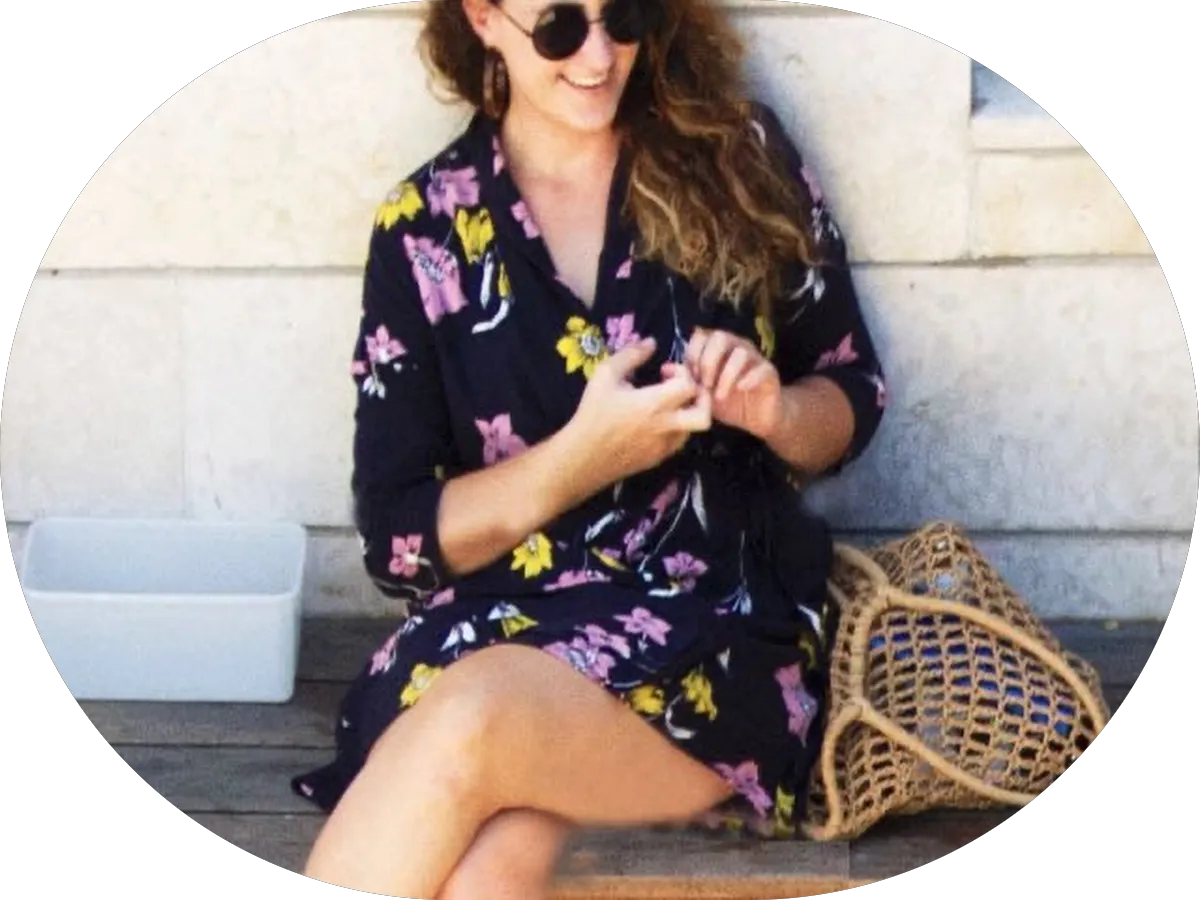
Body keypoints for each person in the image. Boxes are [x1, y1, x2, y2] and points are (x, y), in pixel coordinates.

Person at [293, 0, 888, 896]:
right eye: (562, 27)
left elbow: (852, 390)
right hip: (497, 631)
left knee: (474, 722)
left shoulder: (736, 157)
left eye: (626, 15)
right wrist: (582, 459)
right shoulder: (423, 229)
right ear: (483, 18)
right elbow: (400, 539)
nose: (601, 56)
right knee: (491, 873)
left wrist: (774, 413)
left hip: (708, 647)